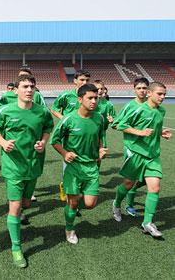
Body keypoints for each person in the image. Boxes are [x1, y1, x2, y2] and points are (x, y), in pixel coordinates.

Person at [0, 74, 54, 268]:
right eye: (25, 86)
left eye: (32, 87)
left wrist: (43, 142)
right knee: (16, 206)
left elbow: (47, 128)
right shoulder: (5, 111)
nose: (29, 90)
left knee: (26, 204)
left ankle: (15, 217)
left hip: (33, 164)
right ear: (16, 90)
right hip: (13, 166)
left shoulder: (42, 112)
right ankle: (16, 248)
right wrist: (3, 142)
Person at [112, 82, 172, 238]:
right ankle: (117, 203)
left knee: (155, 187)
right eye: (159, 94)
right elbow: (119, 125)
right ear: (150, 93)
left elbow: (154, 128)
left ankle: (147, 222)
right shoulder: (138, 108)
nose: (163, 97)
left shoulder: (161, 111)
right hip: (136, 153)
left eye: (164, 94)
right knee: (128, 184)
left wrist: (161, 133)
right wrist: (140, 132)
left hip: (153, 155)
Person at [51, 83, 106, 244]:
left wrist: (101, 149)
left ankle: (72, 198)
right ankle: (69, 229)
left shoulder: (99, 118)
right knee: (74, 202)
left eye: (96, 98)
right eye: (90, 98)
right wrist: (65, 153)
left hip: (91, 166)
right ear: (80, 99)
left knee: (90, 204)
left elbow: (100, 136)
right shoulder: (69, 119)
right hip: (73, 166)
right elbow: (54, 141)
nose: (94, 101)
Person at [111, 77, 149, 217]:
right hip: (132, 148)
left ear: (148, 90)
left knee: (145, 179)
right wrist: (136, 131)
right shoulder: (130, 106)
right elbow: (116, 124)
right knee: (129, 182)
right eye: (139, 88)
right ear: (134, 90)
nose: (142, 91)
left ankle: (129, 204)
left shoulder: (152, 106)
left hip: (148, 149)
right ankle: (118, 203)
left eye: (144, 88)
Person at [51, 70, 91, 202]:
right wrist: (64, 120)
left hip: (85, 133)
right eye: (82, 80)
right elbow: (54, 108)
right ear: (75, 80)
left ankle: (81, 185)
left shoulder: (90, 96)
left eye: (87, 80)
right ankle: (66, 186)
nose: (84, 83)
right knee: (68, 159)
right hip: (69, 134)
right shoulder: (66, 95)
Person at [93, 80, 116, 149]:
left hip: (102, 132)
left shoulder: (109, 104)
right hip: (88, 131)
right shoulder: (88, 102)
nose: (99, 91)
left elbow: (115, 120)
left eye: (101, 89)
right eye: (97, 89)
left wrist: (112, 120)